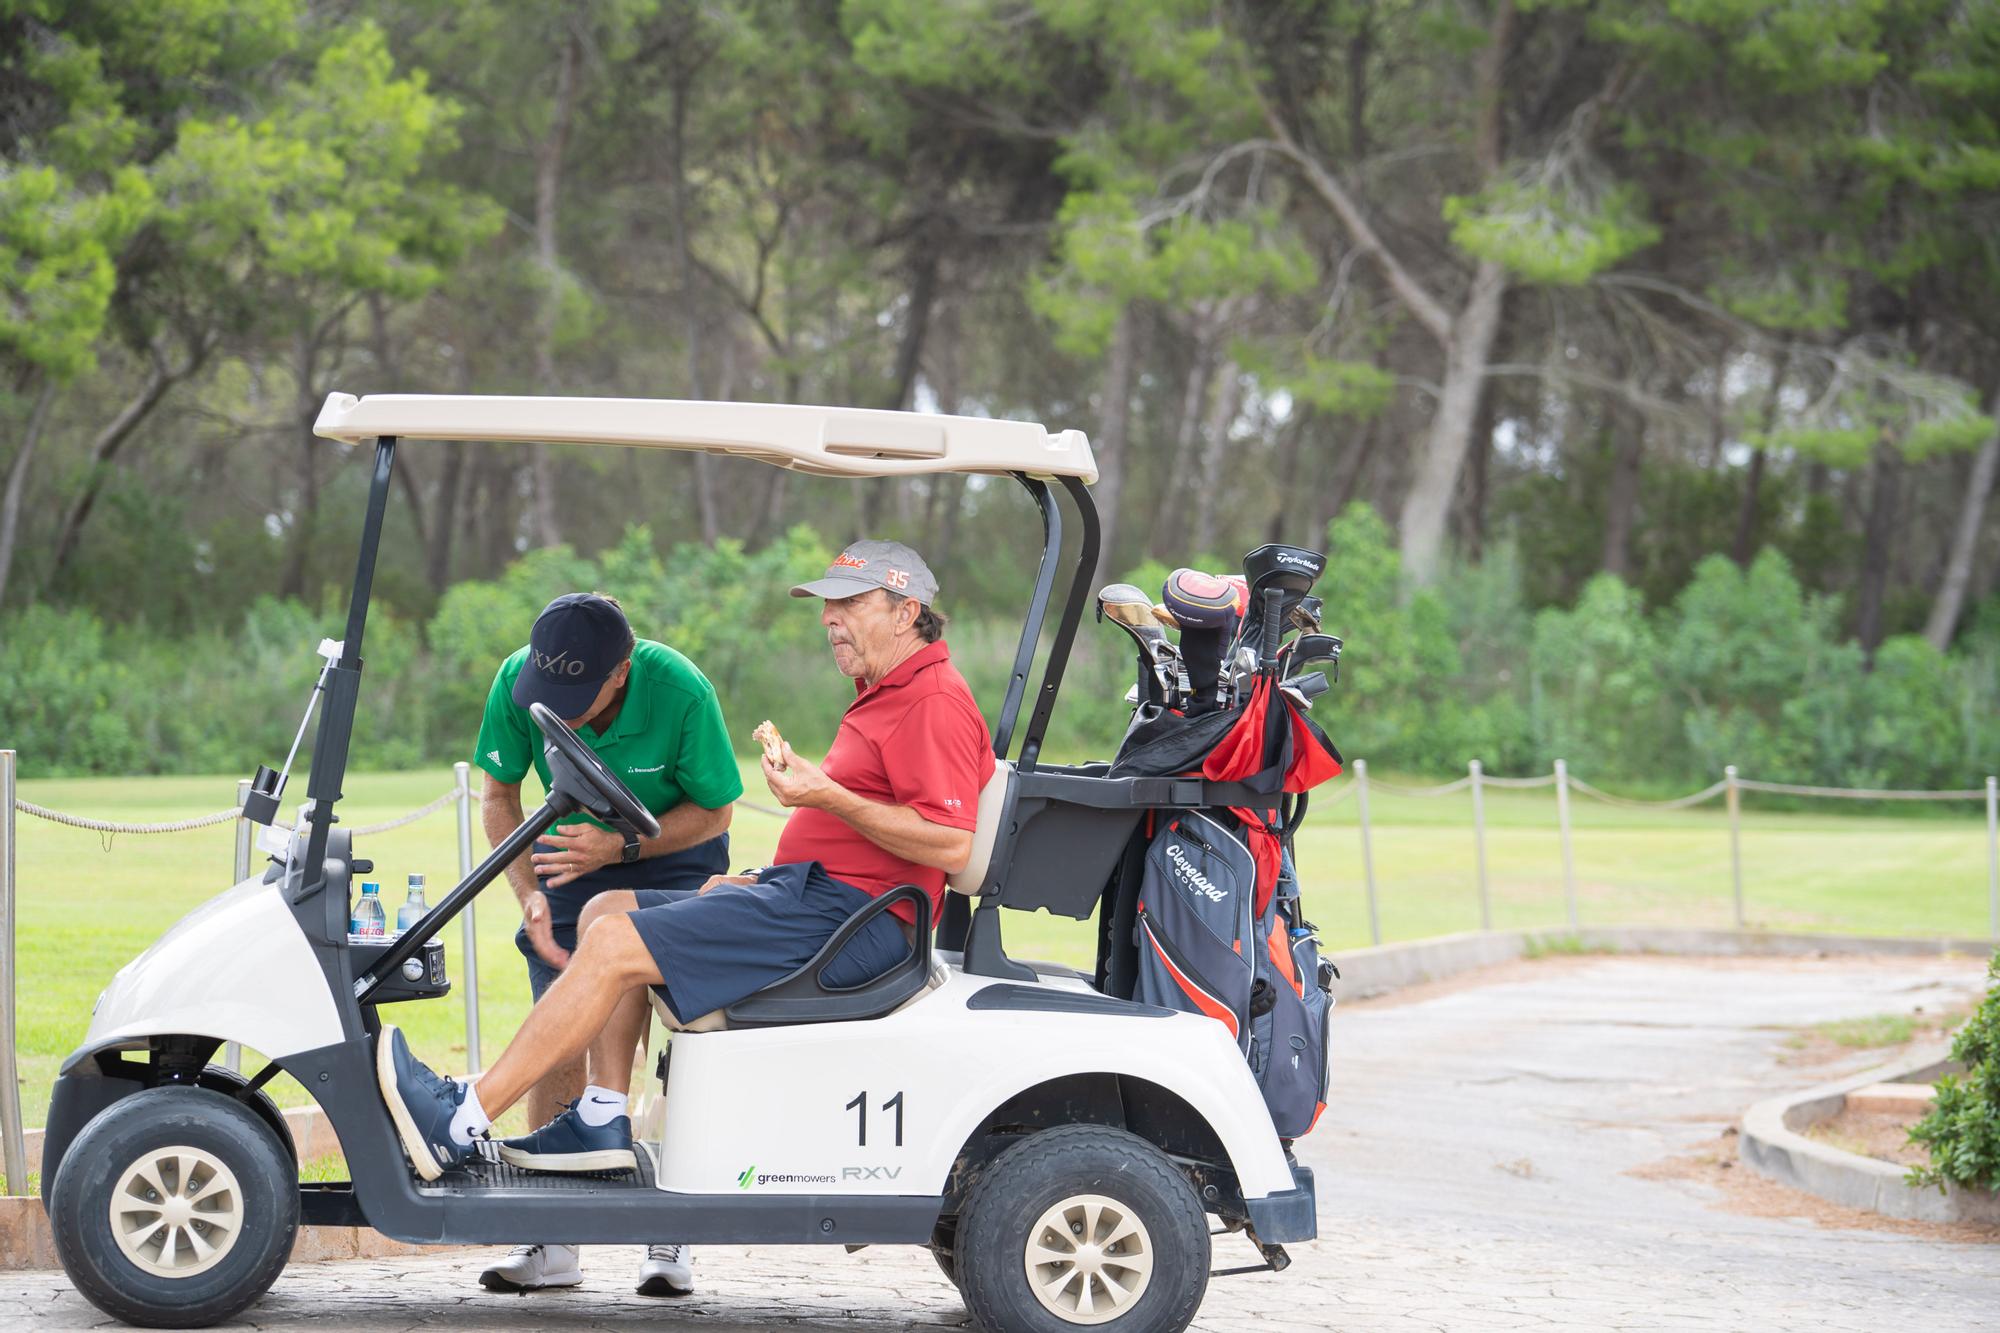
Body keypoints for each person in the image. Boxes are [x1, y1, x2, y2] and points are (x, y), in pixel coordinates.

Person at [376, 540, 992, 1207]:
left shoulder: (930, 700)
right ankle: (600, 1118)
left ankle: (459, 1120)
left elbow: (952, 844)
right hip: (817, 898)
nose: (828, 619)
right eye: (827, 605)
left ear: (907, 612)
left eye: (849, 603)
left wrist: (823, 795)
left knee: (614, 943)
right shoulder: (886, 690)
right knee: (604, 913)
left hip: (857, 924)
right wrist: (763, 878)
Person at [471, 591, 742, 1297]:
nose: (558, 704)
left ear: (620, 671)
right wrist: (529, 892)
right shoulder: (516, 680)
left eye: (576, 691)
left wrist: (620, 848)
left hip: (680, 857)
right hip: (567, 857)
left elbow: (716, 809)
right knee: (558, 1023)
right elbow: (498, 798)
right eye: (547, 687)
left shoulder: (682, 690)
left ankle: (672, 1230)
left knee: (688, 1034)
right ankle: (553, 1238)